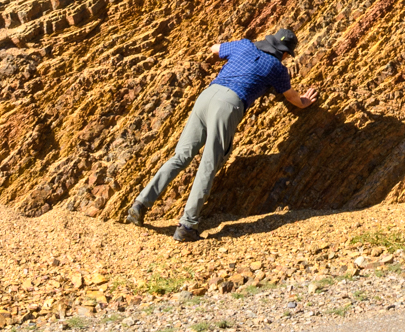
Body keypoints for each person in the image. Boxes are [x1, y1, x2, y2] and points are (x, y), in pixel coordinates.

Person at [126, 27, 318, 241]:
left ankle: (140, 205)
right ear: (284, 53)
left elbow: (214, 49)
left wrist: (231, 60)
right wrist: (304, 102)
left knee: (181, 156)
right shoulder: (276, 68)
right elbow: (291, 96)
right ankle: (187, 225)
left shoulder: (244, 45)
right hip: (228, 104)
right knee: (209, 163)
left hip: (207, 96)